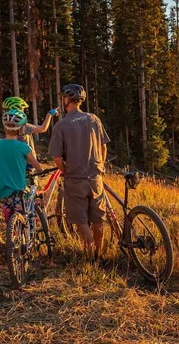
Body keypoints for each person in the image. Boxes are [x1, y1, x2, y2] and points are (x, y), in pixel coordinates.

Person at [48, 84, 110, 260]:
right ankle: (99, 255)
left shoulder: (61, 125)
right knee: (98, 218)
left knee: (80, 220)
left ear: (66, 100)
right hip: (95, 177)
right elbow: (103, 146)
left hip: (75, 178)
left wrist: (65, 171)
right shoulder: (94, 119)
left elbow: (57, 158)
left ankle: (88, 254)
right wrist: (100, 166)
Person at [0, 109, 43, 223]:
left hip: (2, 192)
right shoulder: (23, 147)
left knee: (10, 220)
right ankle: (26, 239)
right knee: (23, 219)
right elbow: (36, 165)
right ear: (20, 129)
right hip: (18, 191)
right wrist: (40, 170)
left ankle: (12, 238)